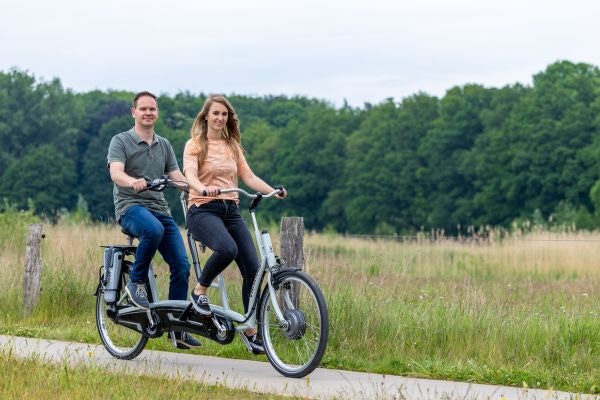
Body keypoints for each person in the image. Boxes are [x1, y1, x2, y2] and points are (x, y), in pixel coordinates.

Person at [183, 94, 287, 354]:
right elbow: (190, 176)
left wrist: (272, 190)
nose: (220, 118)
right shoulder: (195, 144)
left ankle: (251, 333)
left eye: (224, 114)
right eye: (216, 113)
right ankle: (199, 291)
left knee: (253, 271)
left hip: (231, 210)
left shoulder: (232, 146)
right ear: (206, 116)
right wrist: (203, 188)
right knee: (228, 249)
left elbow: (248, 176)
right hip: (202, 209)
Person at [107, 90, 201, 349]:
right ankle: (136, 282)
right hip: (130, 207)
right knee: (153, 229)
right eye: (144, 109)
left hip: (159, 209)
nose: (149, 113)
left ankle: (176, 328)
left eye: (153, 109)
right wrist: (132, 181)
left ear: (157, 113)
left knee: (182, 265)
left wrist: (197, 187)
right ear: (134, 112)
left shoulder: (165, 145)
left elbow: (177, 176)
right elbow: (116, 173)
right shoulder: (121, 141)